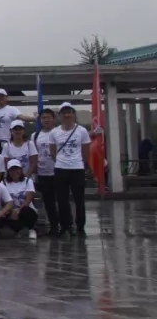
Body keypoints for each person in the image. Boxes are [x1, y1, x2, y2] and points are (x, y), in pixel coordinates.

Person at [51, 102, 92, 237]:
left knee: (79, 199)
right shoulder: (54, 132)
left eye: (69, 112)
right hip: (61, 168)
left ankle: (80, 226)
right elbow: (52, 151)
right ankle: (65, 225)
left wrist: (80, 162)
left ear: (73, 114)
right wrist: (61, 161)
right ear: (60, 115)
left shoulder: (82, 131)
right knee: (62, 199)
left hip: (77, 168)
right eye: (64, 113)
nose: (67, 115)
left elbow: (86, 151)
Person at [33, 109, 61, 236]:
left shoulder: (59, 133)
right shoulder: (35, 136)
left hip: (59, 171)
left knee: (62, 200)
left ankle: (66, 225)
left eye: (49, 117)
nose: (46, 120)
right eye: (43, 117)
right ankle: (53, 226)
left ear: (54, 119)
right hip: (43, 173)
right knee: (48, 202)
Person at [3, 160, 39, 240]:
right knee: (6, 213)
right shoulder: (3, 183)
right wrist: (11, 210)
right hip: (11, 209)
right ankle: (19, 230)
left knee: (26, 210)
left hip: (25, 209)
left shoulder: (28, 181)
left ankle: (32, 229)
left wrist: (19, 210)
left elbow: (28, 199)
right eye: (12, 170)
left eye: (17, 169)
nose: (15, 172)